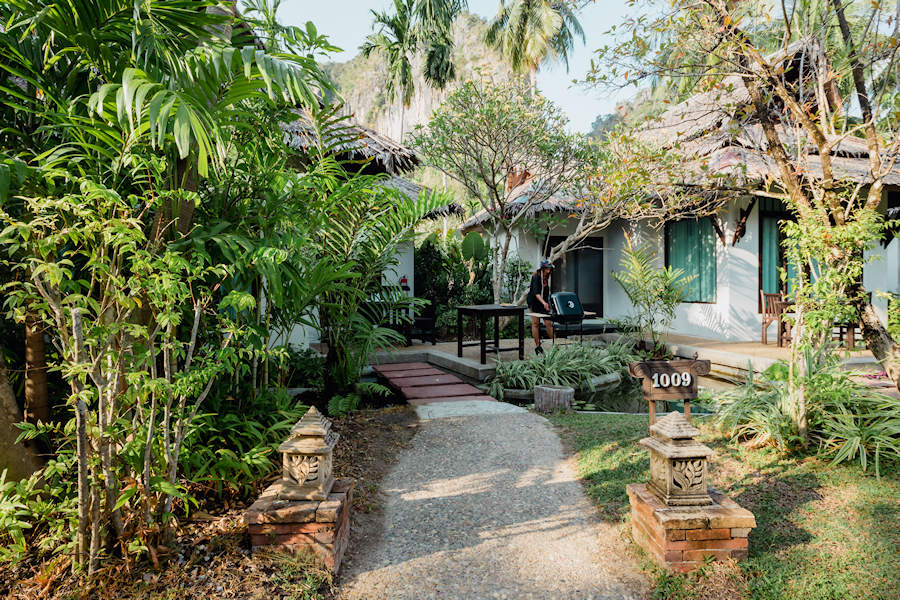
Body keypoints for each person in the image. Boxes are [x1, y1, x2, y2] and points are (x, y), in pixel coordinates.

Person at [526, 260, 555, 354]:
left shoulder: (546, 277)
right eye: (547, 268)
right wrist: (544, 303)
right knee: (535, 323)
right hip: (534, 302)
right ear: (543, 268)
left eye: (550, 268)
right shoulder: (536, 277)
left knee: (549, 323)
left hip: (543, 302)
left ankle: (554, 344)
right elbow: (536, 293)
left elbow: (546, 293)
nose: (549, 270)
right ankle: (538, 346)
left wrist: (548, 304)